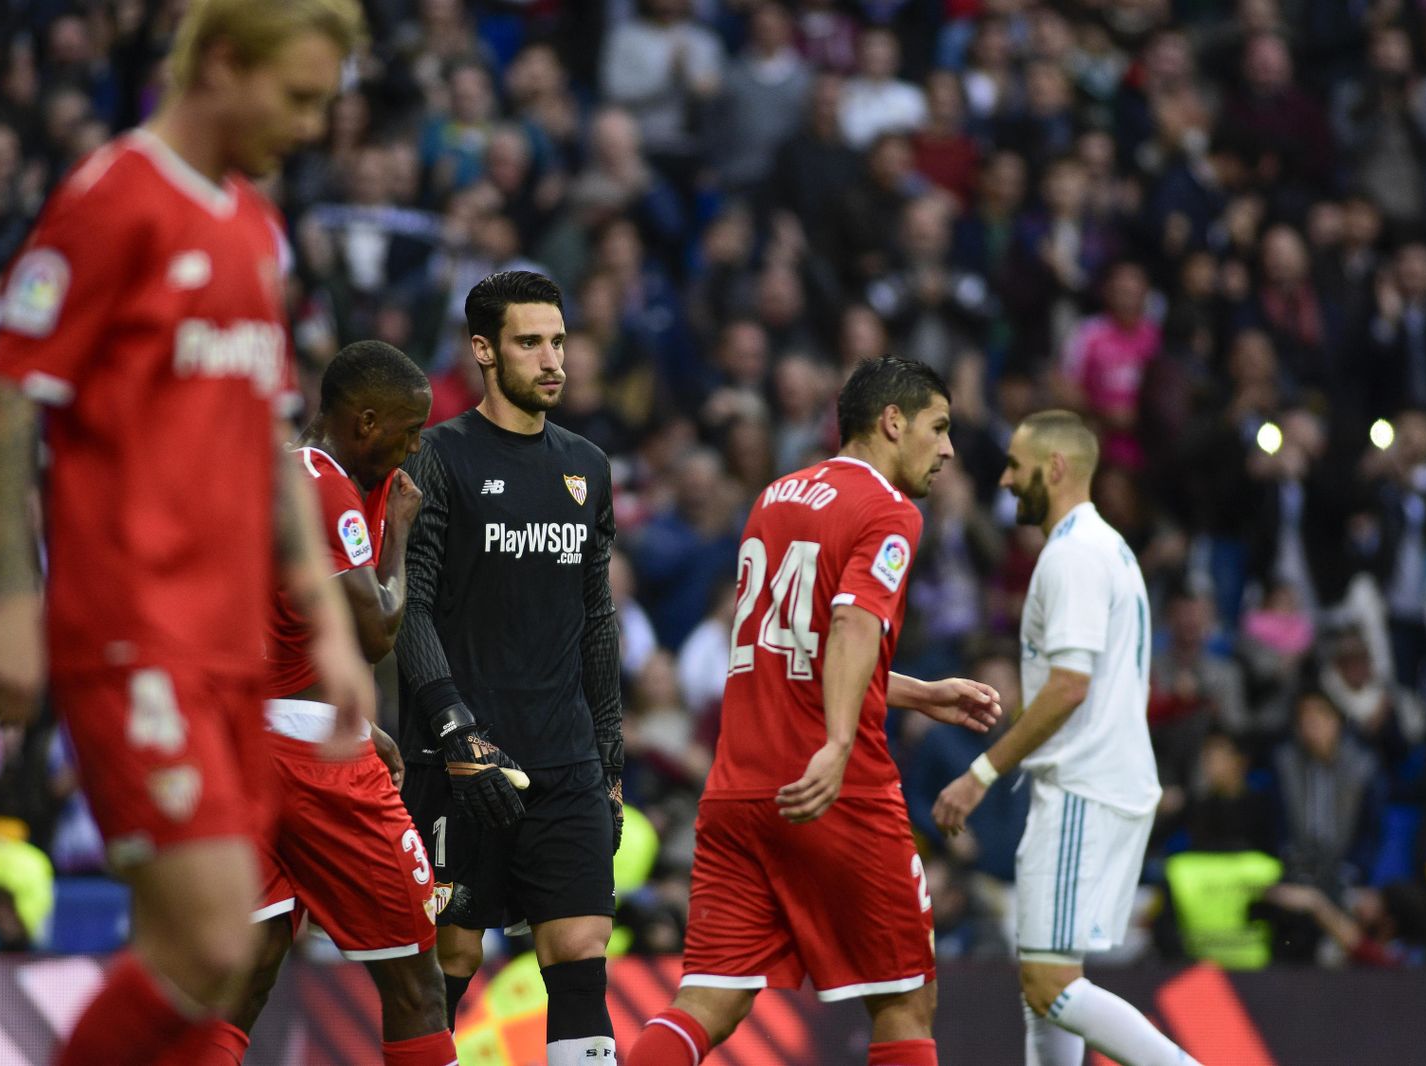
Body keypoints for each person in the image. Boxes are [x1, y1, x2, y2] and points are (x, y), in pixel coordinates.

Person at [0, 3, 374, 1063]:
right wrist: (14, 599)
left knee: (213, 957)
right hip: (131, 631)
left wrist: (325, 617)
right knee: (204, 931)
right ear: (223, 65)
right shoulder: (114, 201)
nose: (312, 125)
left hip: (231, 644)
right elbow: (4, 404)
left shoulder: (254, 226)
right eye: (297, 97)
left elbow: (267, 439)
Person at [630, 356, 1002, 1066]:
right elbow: (853, 626)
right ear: (892, 422)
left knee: (708, 1000)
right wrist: (836, 744)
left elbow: (796, 652)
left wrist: (919, 691)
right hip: (836, 790)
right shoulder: (892, 511)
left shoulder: (774, 496)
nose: (949, 448)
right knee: (905, 1000)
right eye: (939, 426)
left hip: (739, 788)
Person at [167, 341, 455, 1064]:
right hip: (313, 767)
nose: (414, 447)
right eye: (408, 430)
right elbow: (377, 630)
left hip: (254, 744)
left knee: (250, 972)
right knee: (418, 980)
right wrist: (400, 533)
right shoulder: (324, 486)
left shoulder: (281, 475)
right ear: (363, 421)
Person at [394, 270, 623, 1065]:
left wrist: (611, 759)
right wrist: (456, 729)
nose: (552, 359)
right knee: (447, 964)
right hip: (458, 763)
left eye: (559, 341)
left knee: (580, 949)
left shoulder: (588, 466)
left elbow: (596, 619)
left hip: (564, 760)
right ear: (484, 351)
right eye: (531, 343)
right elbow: (409, 609)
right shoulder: (437, 458)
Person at [933, 410, 1202, 1066]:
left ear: (1054, 468)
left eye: (1016, 467)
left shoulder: (1073, 555)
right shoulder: (1107, 548)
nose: (1003, 480)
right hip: (1095, 780)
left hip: (1082, 785)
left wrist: (981, 774)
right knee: (1047, 976)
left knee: (1049, 984)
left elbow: (1069, 685)